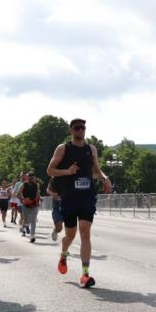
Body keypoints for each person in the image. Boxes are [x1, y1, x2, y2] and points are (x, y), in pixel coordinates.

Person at [46, 118, 112, 288]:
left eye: (82, 127)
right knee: (70, 235)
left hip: (86, 196)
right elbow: (50, 170)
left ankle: (85, 274)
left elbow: (96, 170)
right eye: (76, 128)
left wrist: (105, 178)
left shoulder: (91, 149)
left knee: (85, 233)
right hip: (69, 197)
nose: (80, 130)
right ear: (71, 131)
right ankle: (63, 252)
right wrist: (67, 171)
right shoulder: (63, 149)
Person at [20, 172, 41, 242]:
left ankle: (32, 236)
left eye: (33, 177)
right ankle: (24, 225)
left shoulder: (36, 185)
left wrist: (39, 199)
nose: (32, 178)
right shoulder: (24, 185)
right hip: (26, 205)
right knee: (26, 221)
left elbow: (37, 194)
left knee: (33, 220)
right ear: (27, 178)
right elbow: (18, 194)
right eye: (30, 177)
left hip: (34, 205)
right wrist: (23, 200)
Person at [46, 177, 63, 242]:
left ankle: (65, 248)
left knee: (70, 229)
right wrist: (52, 194)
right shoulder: (53, 178)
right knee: (59, 228)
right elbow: (48, 189)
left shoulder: (70, 175)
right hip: (57, 205)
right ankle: (55, 230)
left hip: (68, 205)